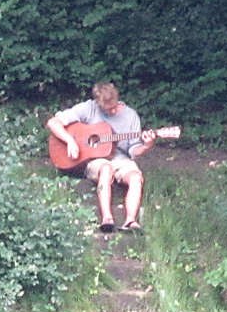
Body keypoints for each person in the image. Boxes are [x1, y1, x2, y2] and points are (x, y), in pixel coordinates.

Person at [47, 82, 157, 232]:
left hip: (121, 160)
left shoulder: (131, 116)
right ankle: (107, 218)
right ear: (98, 104)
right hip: (97, 161)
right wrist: (70, 140)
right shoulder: (88, 108)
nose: (112, 111)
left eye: (114, 106)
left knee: (136, 177)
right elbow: (53, 122)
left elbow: (134, 150)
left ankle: (130, 221)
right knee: (106, 168)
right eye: (107, 109)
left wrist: (146, 145)